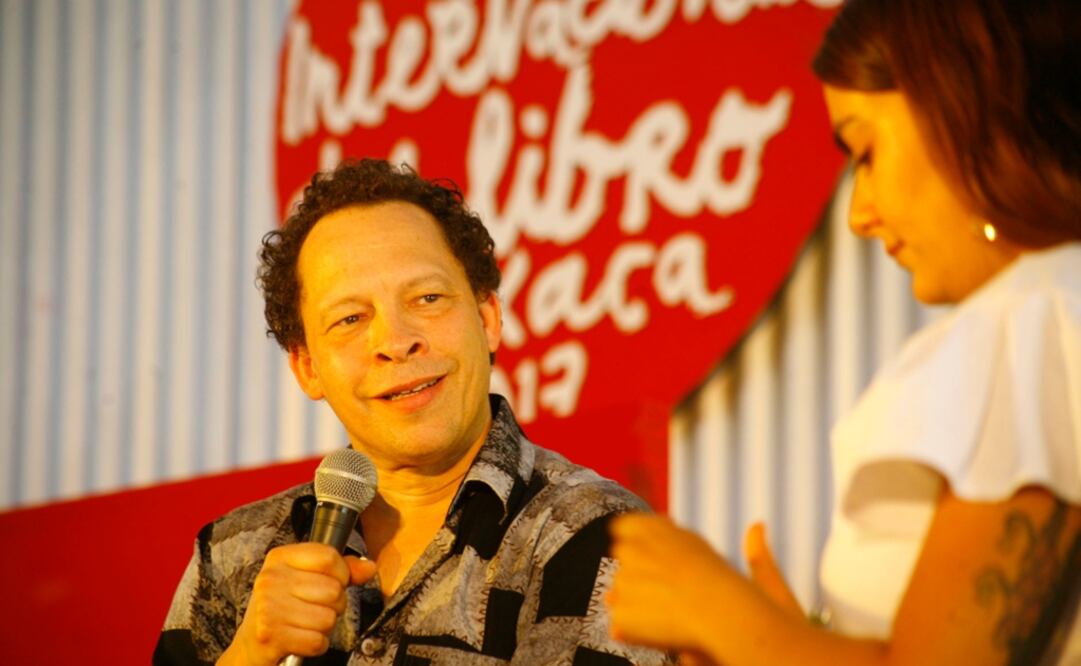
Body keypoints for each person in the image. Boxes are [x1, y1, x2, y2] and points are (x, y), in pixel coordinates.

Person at [606, 0, 1081, 664]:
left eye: (864, 150)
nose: (858, 214)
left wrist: (727, 618)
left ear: (962, 109)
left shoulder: (1026, 320)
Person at [154, 158, 671, 665]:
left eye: (427, 298)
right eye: (351, 318)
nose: (396, 342)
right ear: (307, 367)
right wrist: (249, 655)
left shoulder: (592, 532)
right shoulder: (230, 553)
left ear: (488, 318)